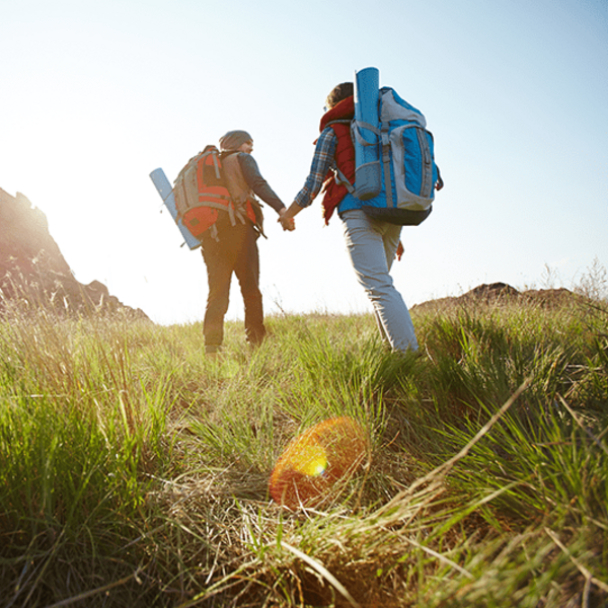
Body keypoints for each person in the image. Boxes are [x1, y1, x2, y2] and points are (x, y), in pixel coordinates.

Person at [279, 83, 443, 353]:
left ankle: (407, 355)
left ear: (332, 107)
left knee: (379, 287)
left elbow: (313, 184)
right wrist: (393, 232)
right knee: (381, 288)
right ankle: (391, 352)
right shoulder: (383, 130)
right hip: (392, 215)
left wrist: (288, 214)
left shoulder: (333, 131)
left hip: (359, 213)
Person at [201, 130, 293, 356]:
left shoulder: (209, 166)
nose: (251, 148)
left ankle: (212, 348)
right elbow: (259, 184)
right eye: (248, 143)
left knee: (217, 292)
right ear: (235, 144)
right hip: (238, 231)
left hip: (211, 236)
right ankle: (256, 342)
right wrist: (282, 209)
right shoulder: (241, 159)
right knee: (250, 288)